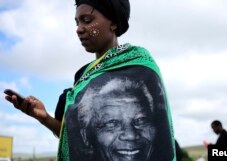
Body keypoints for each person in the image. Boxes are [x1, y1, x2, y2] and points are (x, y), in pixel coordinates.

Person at [5, 0, 176, 161]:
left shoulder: (141, 65)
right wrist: (44, 118)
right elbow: (80, 139)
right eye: (77, 22)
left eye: (87, 20)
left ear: (113, 22)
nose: (79, 29)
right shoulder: (82, 78)